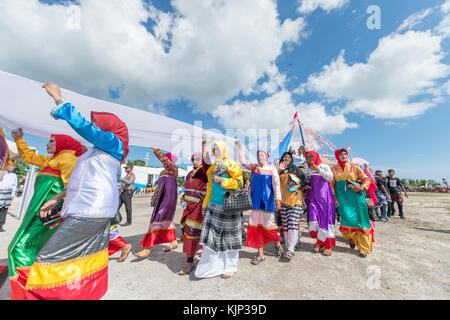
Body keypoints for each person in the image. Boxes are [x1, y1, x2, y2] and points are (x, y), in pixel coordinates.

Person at [24, 82, 129, 300]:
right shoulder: (93, 152)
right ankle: (82, 294)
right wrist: (57, 198)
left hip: (91, 210)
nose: (95, 128)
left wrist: (59, 100)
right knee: (82, 259)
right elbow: (79, 181)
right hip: (87, 209)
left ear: (109, 127)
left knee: (48, 259)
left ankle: (46, 296)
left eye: (99, 125)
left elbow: (84, 127)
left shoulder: (114, 143)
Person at [8, 129, 83, 300]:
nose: (47, 144)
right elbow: (30, 157)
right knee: (38, 248)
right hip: (38, 212)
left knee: (21, 247)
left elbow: (74, 186)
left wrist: (61, 208)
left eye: (51, 141)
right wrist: (19, 139)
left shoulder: (69, 158)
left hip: (50, 215)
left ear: (62, 143)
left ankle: (31, 290)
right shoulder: (51, 159)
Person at [194, 141, 244, 279]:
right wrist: (205, 204)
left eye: (218, 149)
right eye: (214, 149)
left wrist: (222, 180)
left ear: (224, 150)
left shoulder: (232, 164)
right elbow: (210, 189)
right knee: (211, 237)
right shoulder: (213, 167)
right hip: (213, 205)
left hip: (230, 206)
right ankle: (212, 266)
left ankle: (230, 266)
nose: (216, 152)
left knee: (229, 237)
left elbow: (239, 184)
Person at [236, 140, 283, 265]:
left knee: (269, 226)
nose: (259, 157)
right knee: (256, 227)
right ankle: (260, 253)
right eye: (258, 156)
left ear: (267, 157)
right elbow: (242, 161)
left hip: (268, 202)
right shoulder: (254, 167)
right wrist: (239, 148)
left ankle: (277, 243)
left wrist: (278, 200)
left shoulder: (272, 168)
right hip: (256, 203)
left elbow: (276, 185)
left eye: (262, 155)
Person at [135, 148, 179, 258]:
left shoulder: (173, 168)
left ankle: (147, 248)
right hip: (161, 198)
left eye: (166, 158)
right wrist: (155, 196)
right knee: (167, 221)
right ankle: (174, 241)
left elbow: (165, 161)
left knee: (158, 219)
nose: (164, 160)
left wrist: (157, 151)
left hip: (169, 199)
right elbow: (160, 186)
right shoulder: (162, 172)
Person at [330, 148, 374, 258]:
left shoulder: (355, 167)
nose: (343, 156)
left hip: (357, 198)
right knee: (347, 219)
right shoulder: (333, 169)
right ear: (337, 156)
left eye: (345, 154)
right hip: (343, 200)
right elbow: (331, 184)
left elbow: (366, 179)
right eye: (341, 154)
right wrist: (334, 197)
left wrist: (362, 188)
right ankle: (352, 238)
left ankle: (362, 248)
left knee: (361, 221)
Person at [178, 134, 211, 275]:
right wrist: (183, 199)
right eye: (193, 159)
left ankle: (190, 261)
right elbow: (187, 189)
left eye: (198, 159)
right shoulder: (189, 173)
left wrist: (203, 145)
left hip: (199, 208)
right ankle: (193, 257)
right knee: (187, 232)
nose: (195, 161)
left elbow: (207, 162)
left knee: (195, 233)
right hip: (188, 207)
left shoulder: (204, 172)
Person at [277, 151, 309, 260]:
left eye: (288, 157)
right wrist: (278, 170)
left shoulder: (295, 169)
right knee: (285, 225)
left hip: (295, 200)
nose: (286, 158)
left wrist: (299, 186)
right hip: (283, 201)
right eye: (284, 157)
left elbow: (306, 180)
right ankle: (289, 245)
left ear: (291, 159)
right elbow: (272, 182)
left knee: (292, 223)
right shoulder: (279, 171)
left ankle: (291, 248)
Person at [304, 151, 336, 256]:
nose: (309, 158)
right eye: (307, 157)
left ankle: (327, 245)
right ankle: (320, 241)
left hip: (325, 198)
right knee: (313, 221)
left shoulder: (324, 166)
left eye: (311, 156)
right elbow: (303, 181)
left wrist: (318, 169)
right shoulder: (306, 169)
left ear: (316, 156)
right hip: (312, 198)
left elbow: (330, 177)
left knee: (326, 221)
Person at [0, 160, 17, 232]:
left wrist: (12, 195)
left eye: (13, 166)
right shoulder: (1, 173)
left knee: (4, 209)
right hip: (0, 191)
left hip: (8, 193)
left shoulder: (14, 175)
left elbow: (14, 185)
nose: (12, 167)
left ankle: (0, 225)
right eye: (10, 165)